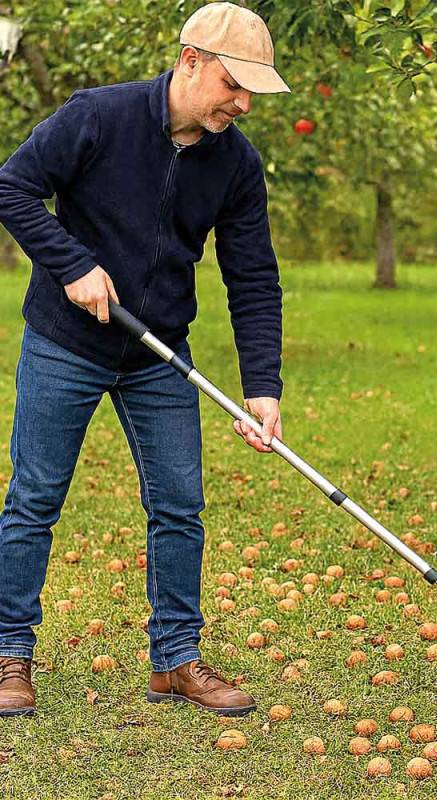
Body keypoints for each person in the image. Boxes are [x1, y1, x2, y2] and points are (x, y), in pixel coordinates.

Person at [0, 2, 290, 717]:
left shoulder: (236, 162)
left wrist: (263, 387)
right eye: (234, 84)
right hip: (66, 342)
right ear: (190, 61)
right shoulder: (97, 116)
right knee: (34, 500)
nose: (243, 103)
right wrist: (71, 264)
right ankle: (9, 655)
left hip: (159, 351)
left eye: (253, 89)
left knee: (179, 506)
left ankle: (175, 660)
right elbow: (12, 186)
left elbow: (253, 275)